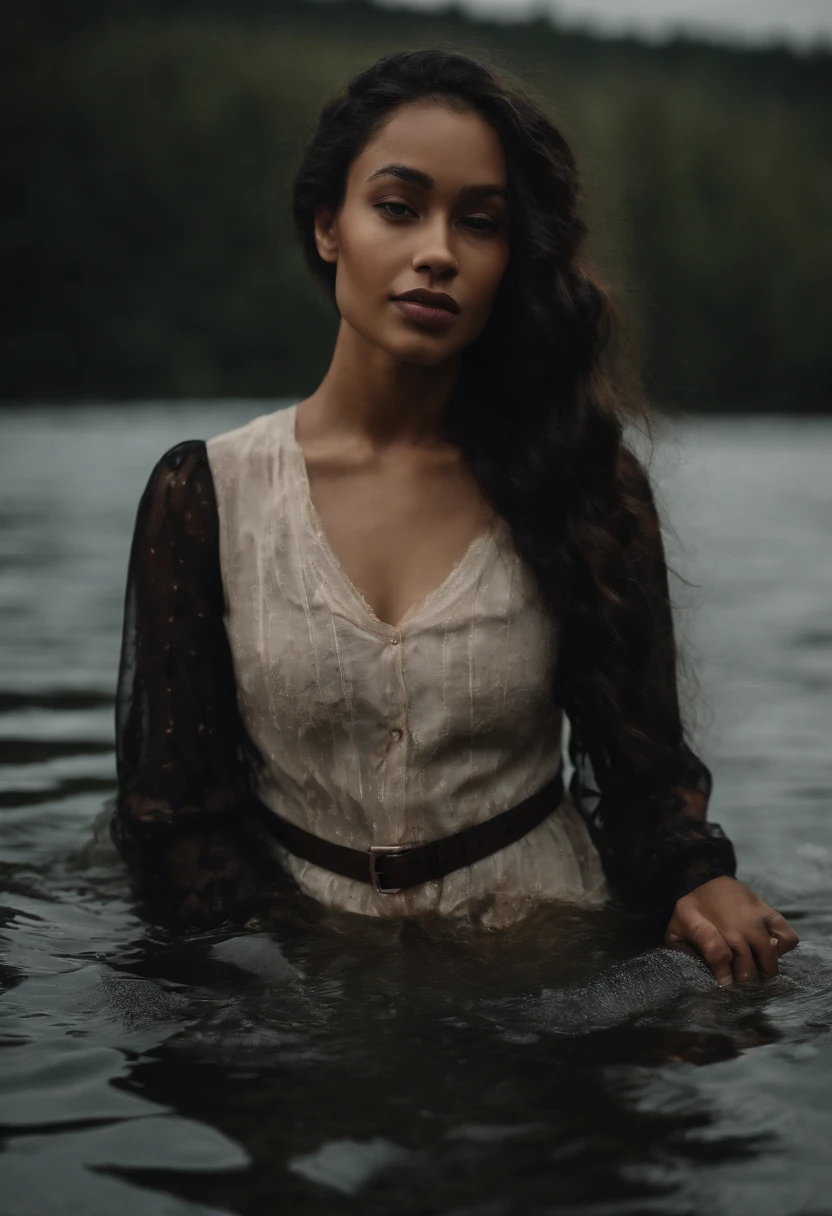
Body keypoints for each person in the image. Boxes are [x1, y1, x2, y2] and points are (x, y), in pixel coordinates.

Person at [111, 48, 799, 985]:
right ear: (327, 227)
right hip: (303, 968)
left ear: (510, 257)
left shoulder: (581, 481)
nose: (438, 250)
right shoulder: (207, 496)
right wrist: (283, 981)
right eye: (398, 208)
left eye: (480, 223)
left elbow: (641, 773)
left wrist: (698, 879)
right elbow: (175, 816)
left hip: (548, 953)